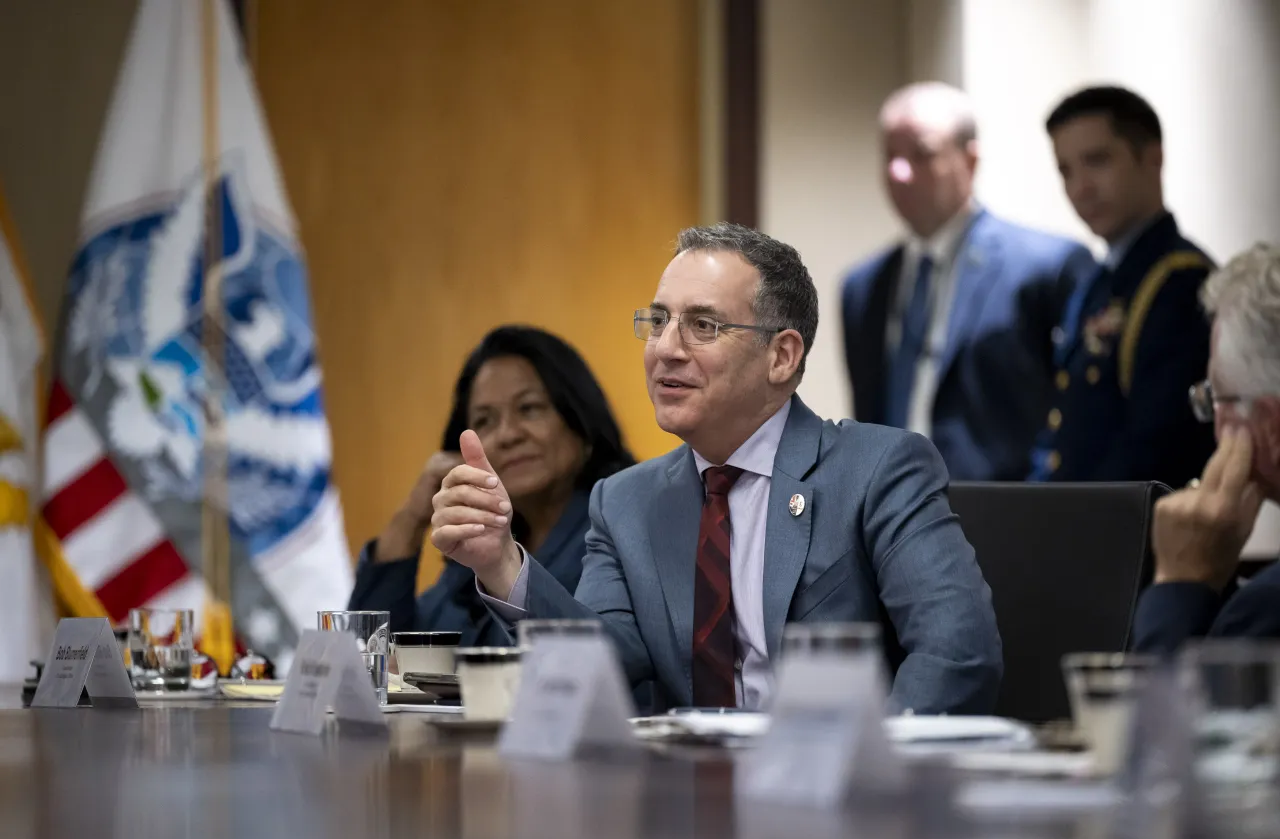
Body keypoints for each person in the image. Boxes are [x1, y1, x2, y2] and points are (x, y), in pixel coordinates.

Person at [431, 223, 1003, 715]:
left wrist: (871, 776)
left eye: (703, 326)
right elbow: (603, 664)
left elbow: (956, 650)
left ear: (782, 355)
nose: (666, 349)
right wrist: (502, 562)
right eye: (658, 322)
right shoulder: (627, 502)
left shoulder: (877, 470)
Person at [842, 81, 1096, 482]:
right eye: (889, 155)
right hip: (890, 522)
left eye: (921, 154)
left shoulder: (1046, 267)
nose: (898, 172)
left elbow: (1079, 416)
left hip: (1008, 519)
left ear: (970, 161)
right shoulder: (862, 287)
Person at [347, 325, 635, 646]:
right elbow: (375, 653)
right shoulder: (483, 542)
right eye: (485, 421)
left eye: (529, 409)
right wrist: (412, 517)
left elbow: (603, 663)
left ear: (582, 423)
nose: (509, 435)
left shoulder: (619, 532)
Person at [1028, 85, 1216, 486]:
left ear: (1153, 158)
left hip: (1134, 534)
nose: (1080, 187)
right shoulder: (1100, 280)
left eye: (1097, 161)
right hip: (1082, 529)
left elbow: (1158, 448)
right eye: (1066, 170)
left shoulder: (1180, 282)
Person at [1131, 244, 1280, 652]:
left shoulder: (1266, 612)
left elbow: (1157, 717)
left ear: (1272, 428)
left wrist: (1181, 582)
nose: (1211, 419)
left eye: (1217, 397)